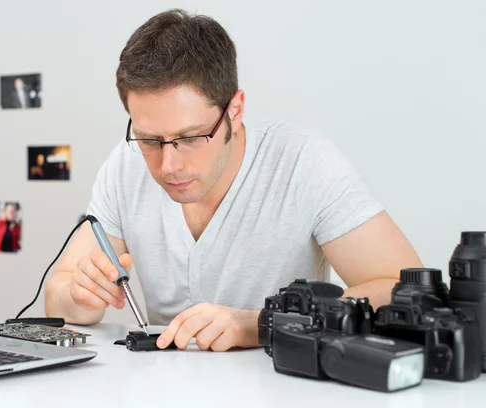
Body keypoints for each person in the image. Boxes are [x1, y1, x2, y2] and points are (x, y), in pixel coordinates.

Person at [44, 9, 423, 352]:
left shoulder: (303, 162)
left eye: (191, 137)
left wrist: (260, 324)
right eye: (150, 140)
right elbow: (57, 296)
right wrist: (81, 295)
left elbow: (402, 291)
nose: (169, 165)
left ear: (235, 111)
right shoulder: (123, 166)